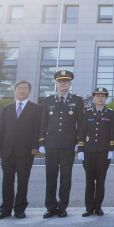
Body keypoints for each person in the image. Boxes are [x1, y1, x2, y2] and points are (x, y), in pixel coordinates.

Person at [0, 81, 42, 220]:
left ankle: (20, 209)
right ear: (14, 91)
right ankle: (5, 209)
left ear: (30, 91)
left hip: (26, 151)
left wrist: (35, 145)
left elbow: (38, 129)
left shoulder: (36, 109)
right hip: (7, 150)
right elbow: (1, 129)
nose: (21, 91)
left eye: (25, 89)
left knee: (23, 180)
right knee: (7, 180)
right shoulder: (6, 109)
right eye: (19, 89)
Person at [39, 70, 85, 218]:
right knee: (51, 176)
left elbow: (81, 123)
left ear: (70, 83)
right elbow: (43, 123)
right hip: (51, 143)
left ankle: (63, 206)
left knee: (66, 176)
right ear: (56, 83)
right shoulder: (48, 100)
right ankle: (50, 206)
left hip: (68, 143)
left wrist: (79, 142)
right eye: (60, 81)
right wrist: (41, 141)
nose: (63, 83)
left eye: (66, 81)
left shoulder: (77, 100)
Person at [78, 87, 114, 217]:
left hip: (103, 152)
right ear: (93, 98)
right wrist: (80, 149)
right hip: (88, 151)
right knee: (89, 180)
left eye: (103, 96)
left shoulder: (110, 113)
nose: (100, 98)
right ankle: (89, 207)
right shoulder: (87, 113)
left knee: (100, 180)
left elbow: (112, 133)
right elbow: (82, 131)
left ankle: (98, 207)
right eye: (98, 96)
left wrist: (111, 149)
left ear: (106, 98)